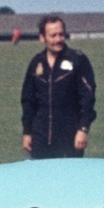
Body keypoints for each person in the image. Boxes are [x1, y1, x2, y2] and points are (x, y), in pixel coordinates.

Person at [20, 14, 95, 159]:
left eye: (61, 34)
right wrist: (27, 132)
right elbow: (28, 100)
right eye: (53, 35)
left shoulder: (78, 60)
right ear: (42, 38)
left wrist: (83, 129)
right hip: (40, 138)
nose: (58, 39)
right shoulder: (36, 63)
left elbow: (88, 99)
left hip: (70, 138)